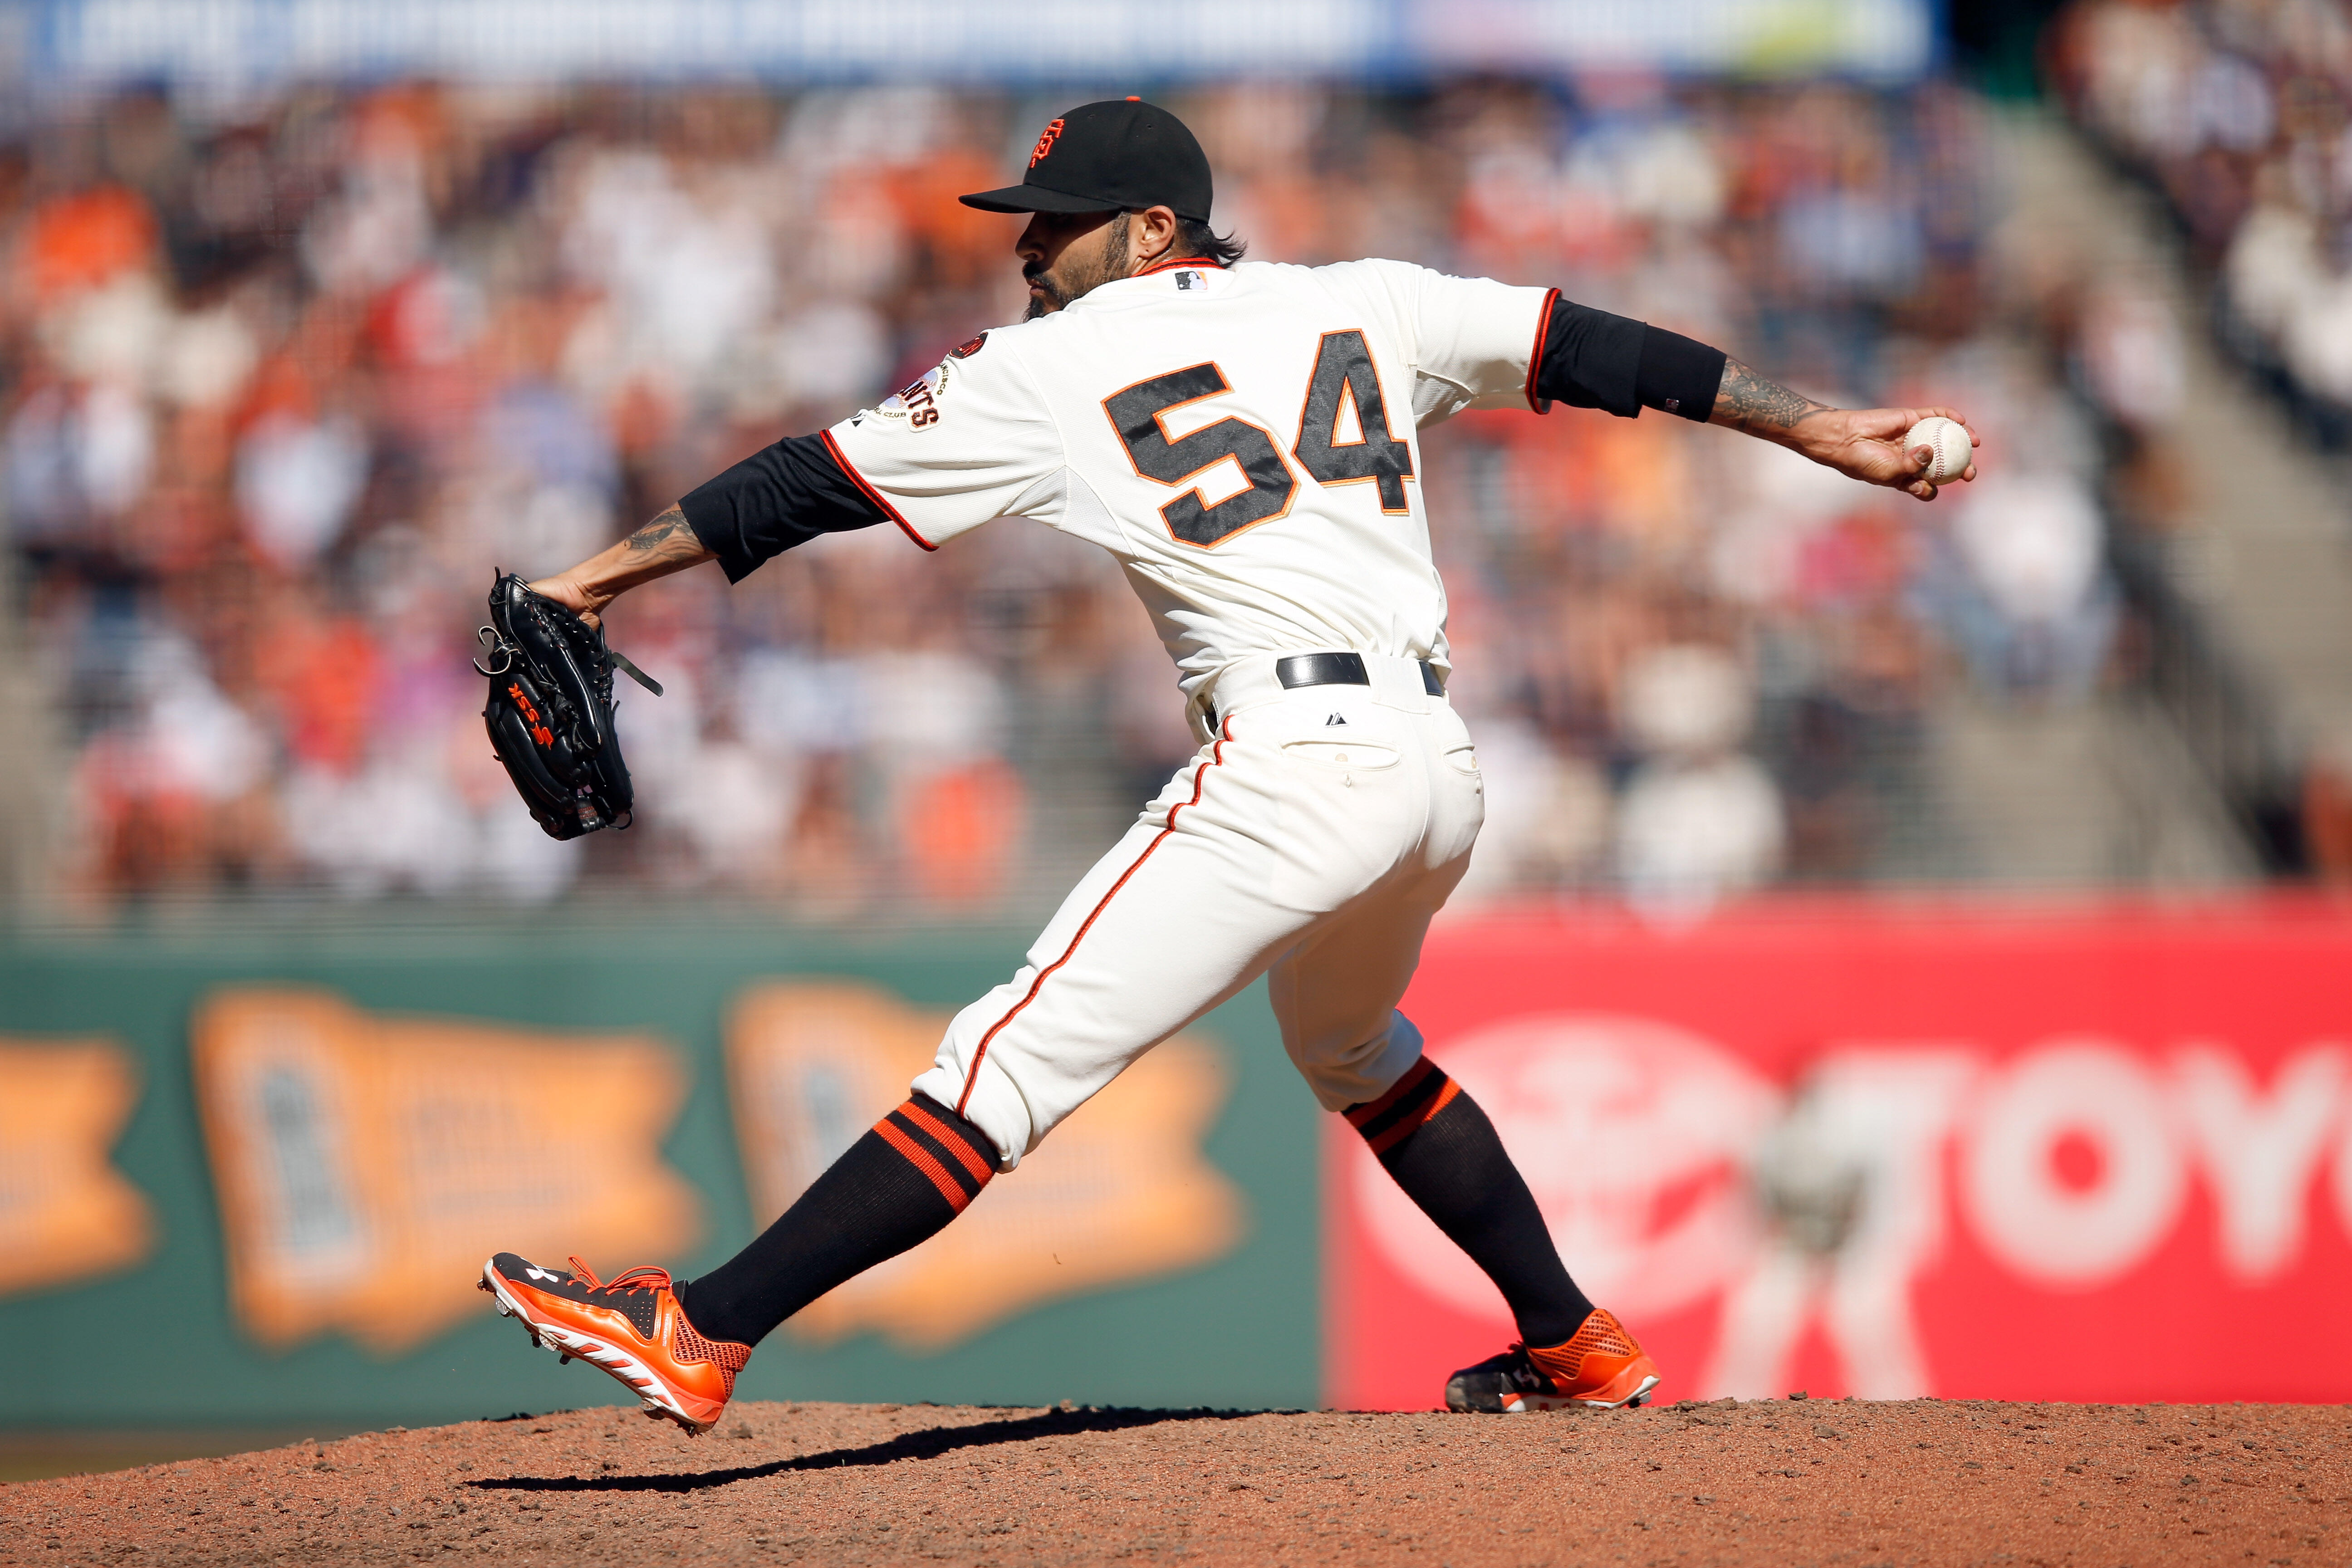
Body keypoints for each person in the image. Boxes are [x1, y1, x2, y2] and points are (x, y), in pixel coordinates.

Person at [476, 98, 1978, 1429]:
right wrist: (1820, 426)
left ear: (1148, 229)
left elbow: (809, 483)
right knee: (1350, 1048)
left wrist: (593, 582)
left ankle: (704, 1326)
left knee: (1005, 1059)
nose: (1029, 247)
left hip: (1293, 761)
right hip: (1435, 772)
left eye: (1056, 224)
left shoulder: (1052, 362)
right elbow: (1589, 350)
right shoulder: (1371, 300)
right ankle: (1571, 1340)